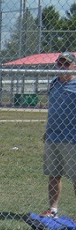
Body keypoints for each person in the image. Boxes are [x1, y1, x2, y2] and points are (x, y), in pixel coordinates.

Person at [42, 51, 76, 218]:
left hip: (72, 138)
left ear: (74, 66)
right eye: (60, 64)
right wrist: (46, 131)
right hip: (53, 136)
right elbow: (53, 110)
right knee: (54, 175)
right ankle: (53, 210)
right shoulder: (54, 83)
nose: (63, 67)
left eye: (67, 64)